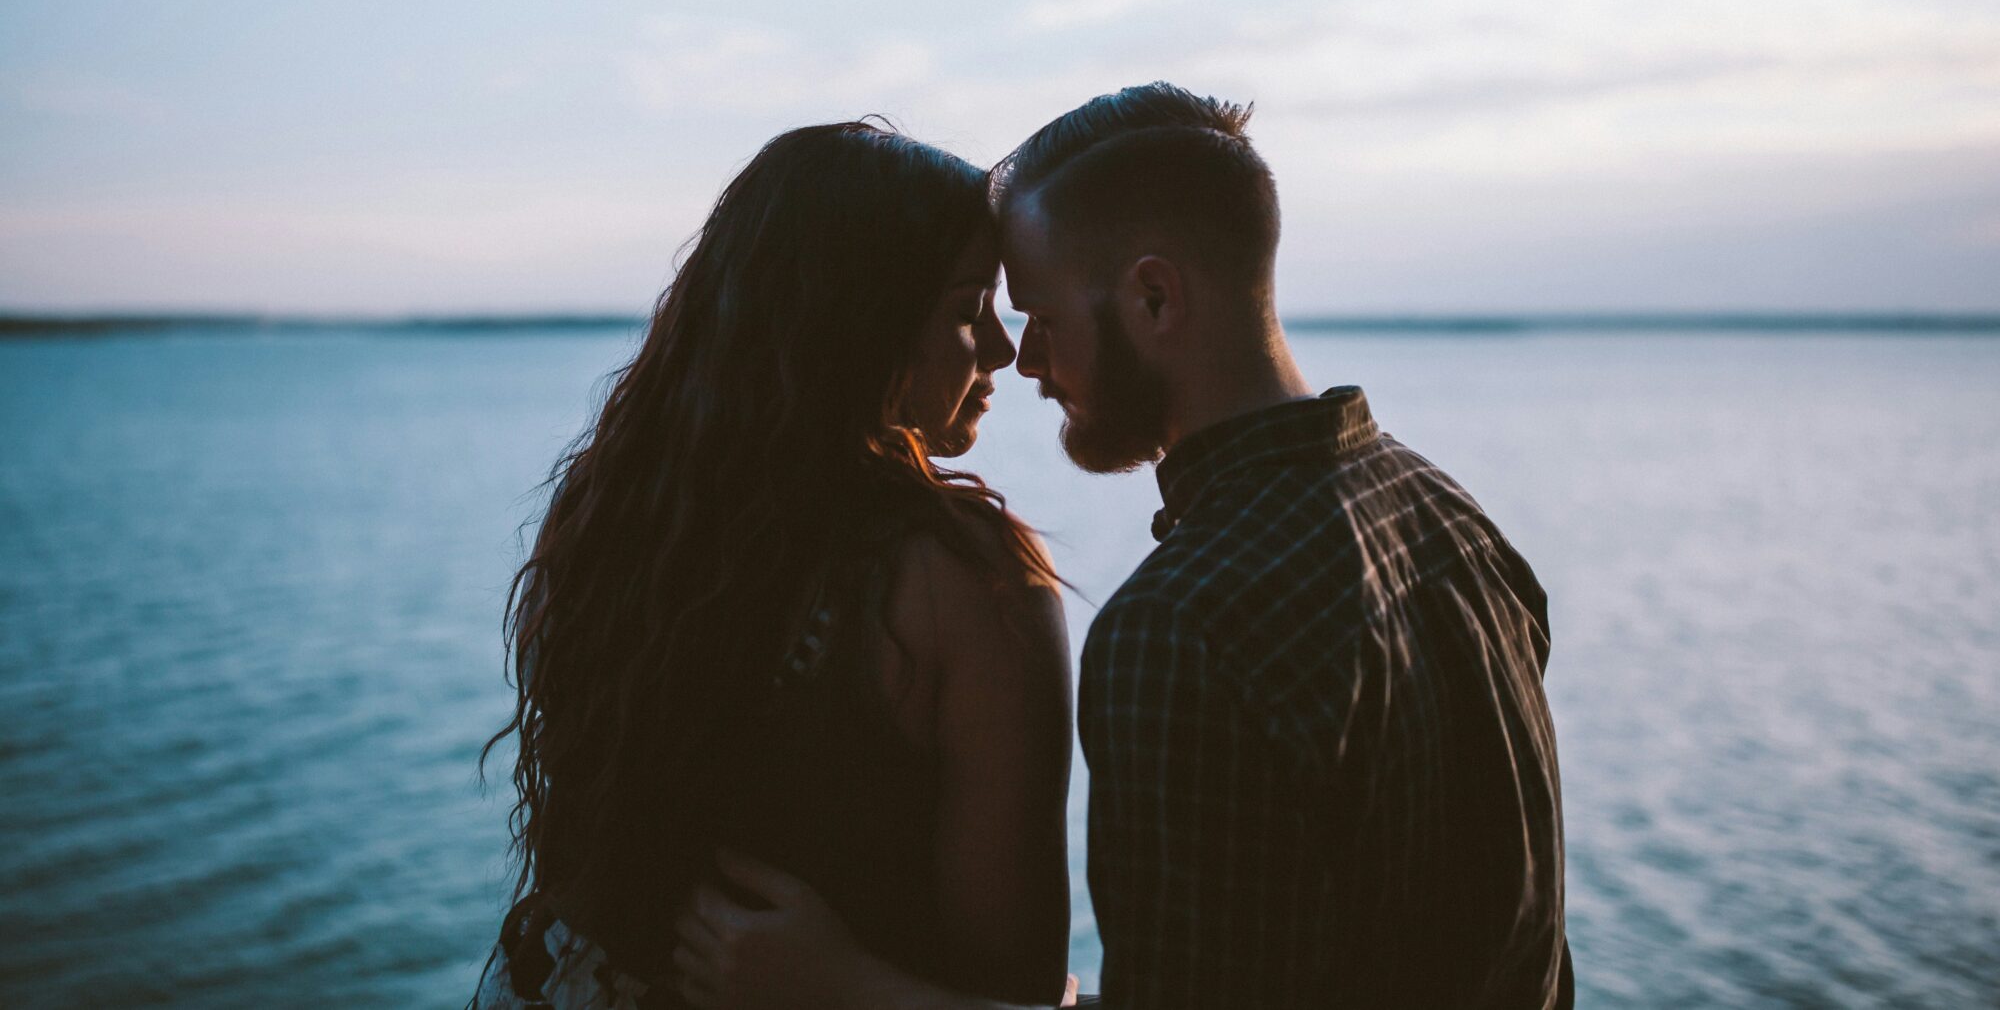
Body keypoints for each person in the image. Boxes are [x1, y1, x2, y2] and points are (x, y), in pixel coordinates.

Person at [672, 84, 1573, 1009]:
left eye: (1041, 316)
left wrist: (843, 986)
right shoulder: (1456, 525)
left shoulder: (1185, 626)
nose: (1022, 361)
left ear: (1152, 297)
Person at [474, 121, 1075, 1010]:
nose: (998, 350)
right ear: (857, 322)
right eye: (965, 307)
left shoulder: (622, 521)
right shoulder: (969, 582)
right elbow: (1019, 984)